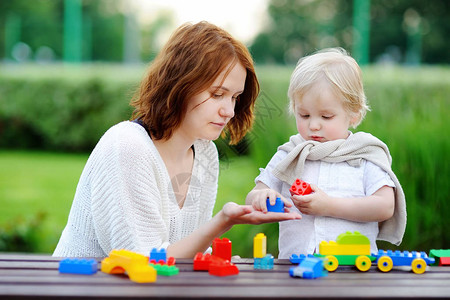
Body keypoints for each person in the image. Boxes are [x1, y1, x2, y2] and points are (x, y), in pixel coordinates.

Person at [53, 21, 300, 258]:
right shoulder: (128, 147)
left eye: (235, 97)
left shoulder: (205, 153)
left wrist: (215, 260)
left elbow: (187, 251)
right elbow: (143, 262)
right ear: (180, 85)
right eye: (217, 94)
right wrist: (223, 221)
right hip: (80, 287)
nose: (229, 111)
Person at [245, 48, 406, 259]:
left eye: (326, 116)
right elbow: (252, 197)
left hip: (353, 270)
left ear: (354, 114)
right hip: (294, 267)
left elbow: (385, 207)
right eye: (304, 115)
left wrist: (329, 206)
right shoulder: (290, 154)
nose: (313, 125)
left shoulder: (364, 155)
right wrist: (261, 196)